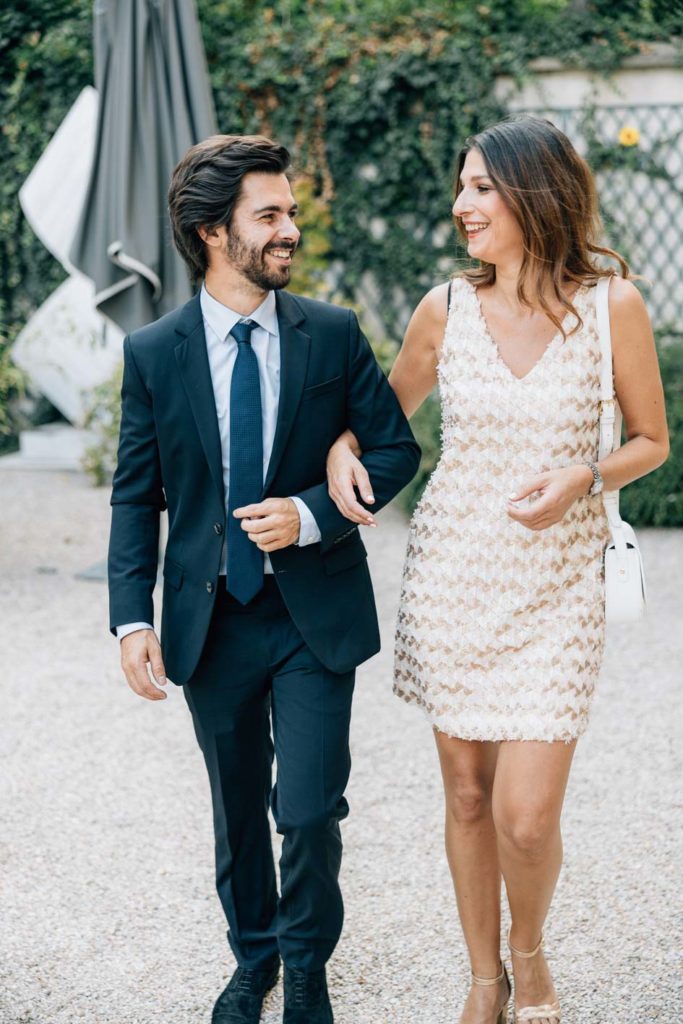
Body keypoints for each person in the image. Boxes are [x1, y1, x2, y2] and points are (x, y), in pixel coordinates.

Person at [325, 115, 669, 1024]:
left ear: (535, 193)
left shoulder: (610, 305)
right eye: (461, 187)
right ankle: (484, 979)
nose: (460, 205)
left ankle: (530, 952)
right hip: (453, 579)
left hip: (557, 587)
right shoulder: (442, 308)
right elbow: (381, 420)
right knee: (469, 797)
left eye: (480, 187)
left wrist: (584, 478)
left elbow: (651, 442)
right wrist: (338, 454)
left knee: (525, 815)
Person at [107, 134, 420, 1024]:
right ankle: (254, 960)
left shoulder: (331, 333)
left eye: (289, 212)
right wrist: (131, 619)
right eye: (270, 215)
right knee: (240, 806)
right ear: (213, 232)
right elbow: (138, 496)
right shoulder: (155, 354)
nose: (290, 229)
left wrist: (312, 513)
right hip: (210, 622)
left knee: (311, 806)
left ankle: (306, 964)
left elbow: (395, 447)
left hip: (314, 611)